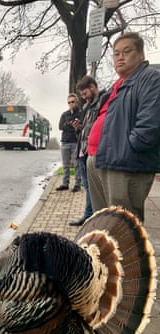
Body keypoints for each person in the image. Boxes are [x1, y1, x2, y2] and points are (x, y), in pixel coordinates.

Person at [87, 32, 160, 222]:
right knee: (103, 223)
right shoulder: (116, 85)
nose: (120, 57)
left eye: (126, 52)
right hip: (100, 159)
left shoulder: (151, 78)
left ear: (141, 54)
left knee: (123, 227)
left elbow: (149, 126)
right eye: (116, 53)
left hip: (124, 164)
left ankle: (128, 253)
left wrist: (127, 148)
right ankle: (105, 253)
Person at [69, 76, 105, 226]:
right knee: (88, 187)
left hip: (93, 152)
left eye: (85, 94)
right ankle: (89, 215)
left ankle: (93, 217)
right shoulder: (87, 107)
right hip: (83, 150)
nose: (83, 98)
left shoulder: (103, 102)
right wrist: (78, 129)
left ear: (93, 87)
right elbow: (86, 130)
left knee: (94, 188)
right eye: (81, 95)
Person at [56, 93, 82, 192]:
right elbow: (60, 127)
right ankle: (65, 183)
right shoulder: (64, 114)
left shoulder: (80, 113)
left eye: (72, 102)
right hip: (65, 142)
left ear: (77, 102)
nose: (70, 104)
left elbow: (80, 126)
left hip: (76, 142)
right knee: (65, 165)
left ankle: (77, 184)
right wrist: (70, 125)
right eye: (69, 102)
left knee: (77, 164)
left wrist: (69, 125)